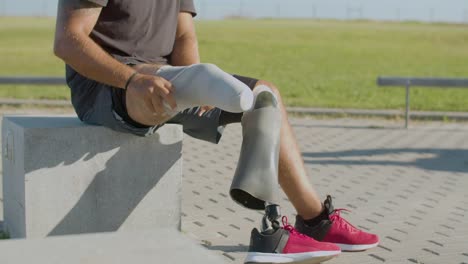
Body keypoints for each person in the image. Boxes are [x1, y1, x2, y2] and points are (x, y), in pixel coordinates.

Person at [54, 1, 379, 263]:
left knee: (266, 97)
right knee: (174, 83)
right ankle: (273, 233)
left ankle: (315, 221)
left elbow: (184, 37)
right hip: (109, 86)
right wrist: (132, 79)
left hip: (169, 81)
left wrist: (194, 78)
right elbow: (68, 40)